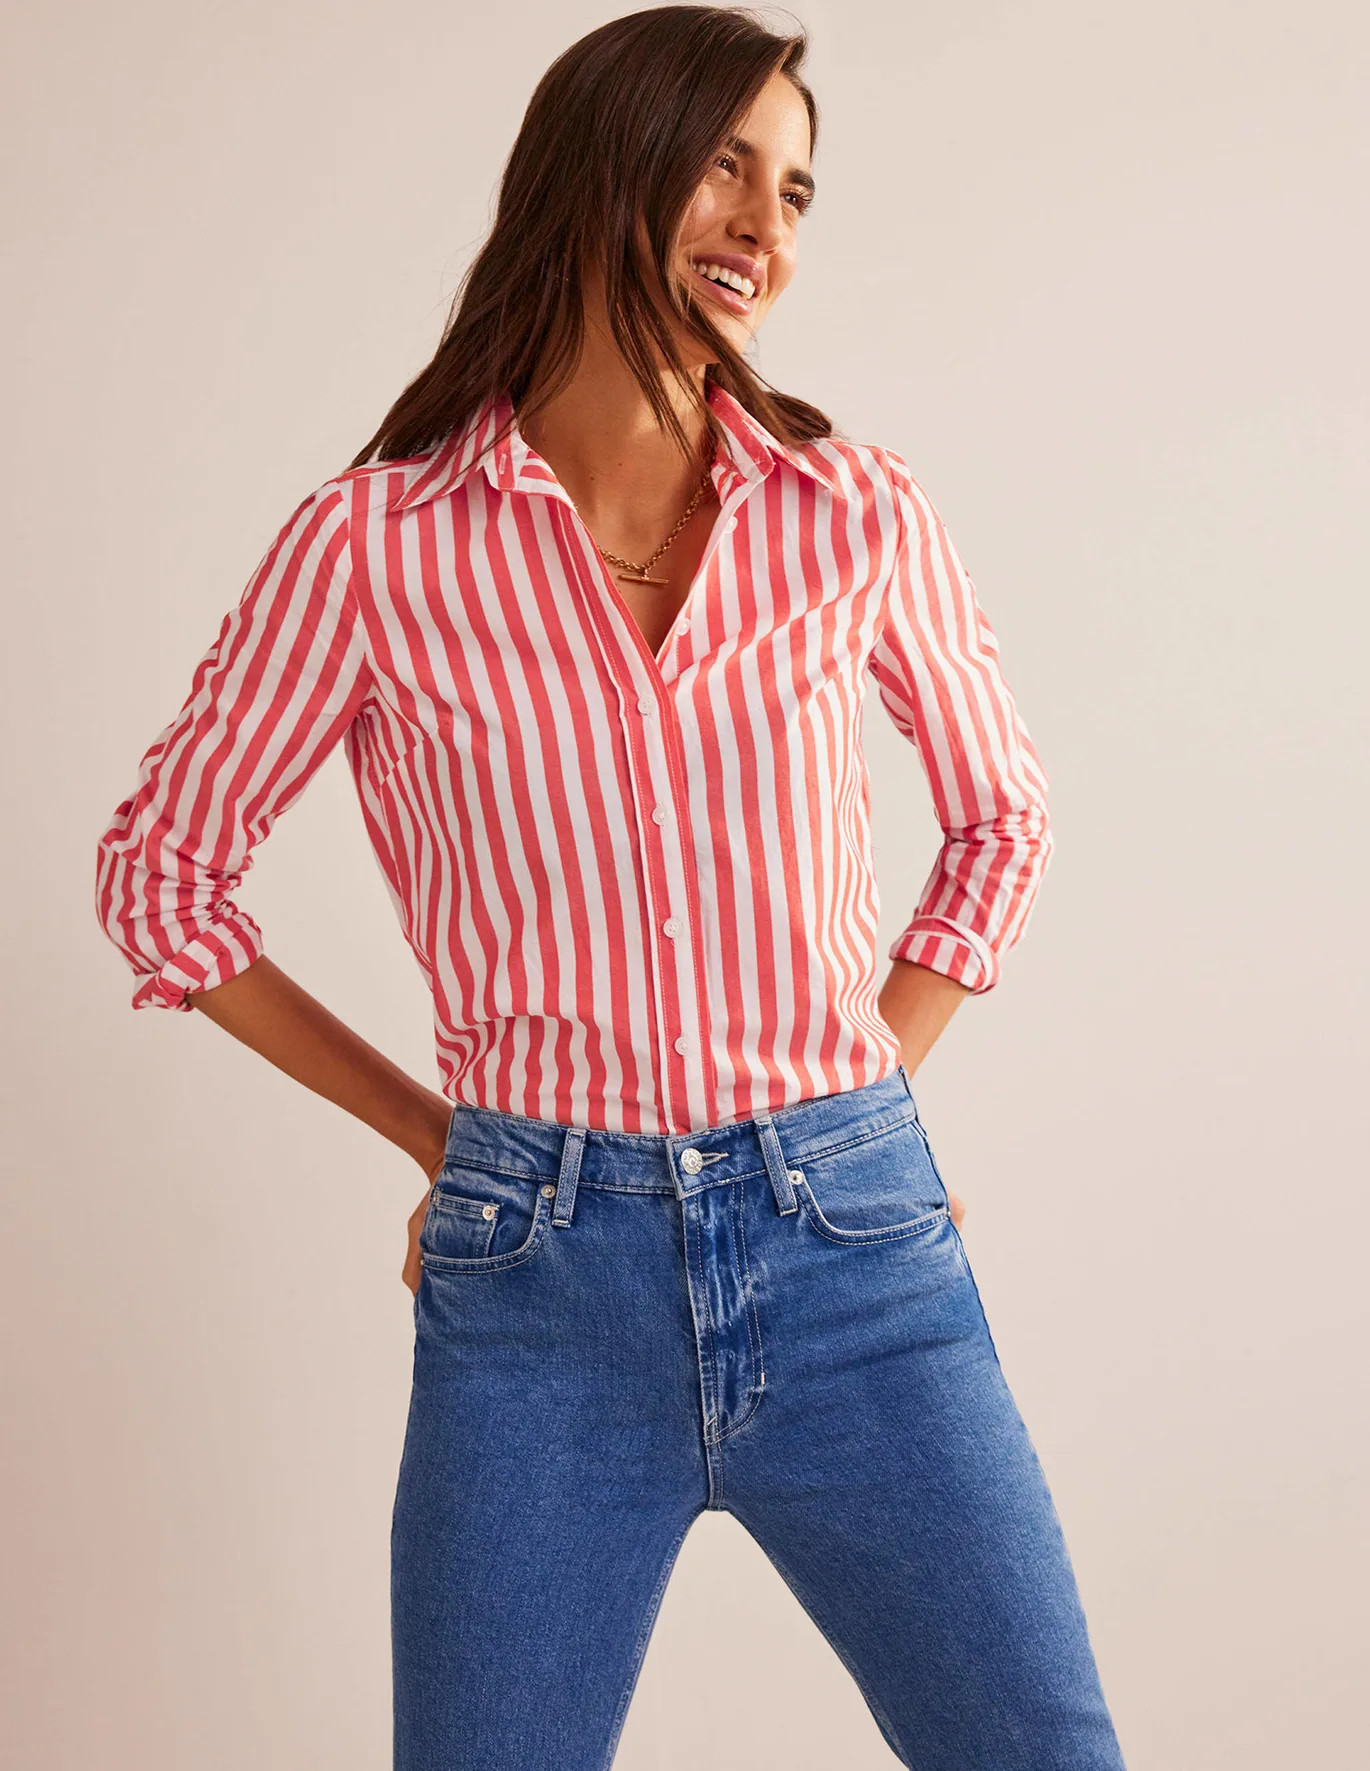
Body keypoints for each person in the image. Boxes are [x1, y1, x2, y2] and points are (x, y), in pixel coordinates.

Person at [94, 7, 1128, 1767]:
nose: (765, 226)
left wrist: (858, 1104)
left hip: (858, 1266)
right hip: (537, 1294)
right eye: (727, 165)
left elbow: (1000, 820)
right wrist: (442, 1140)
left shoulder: (852, 512)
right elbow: (160, 876)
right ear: (604, 164)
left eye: (794, 191)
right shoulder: (373, 548)